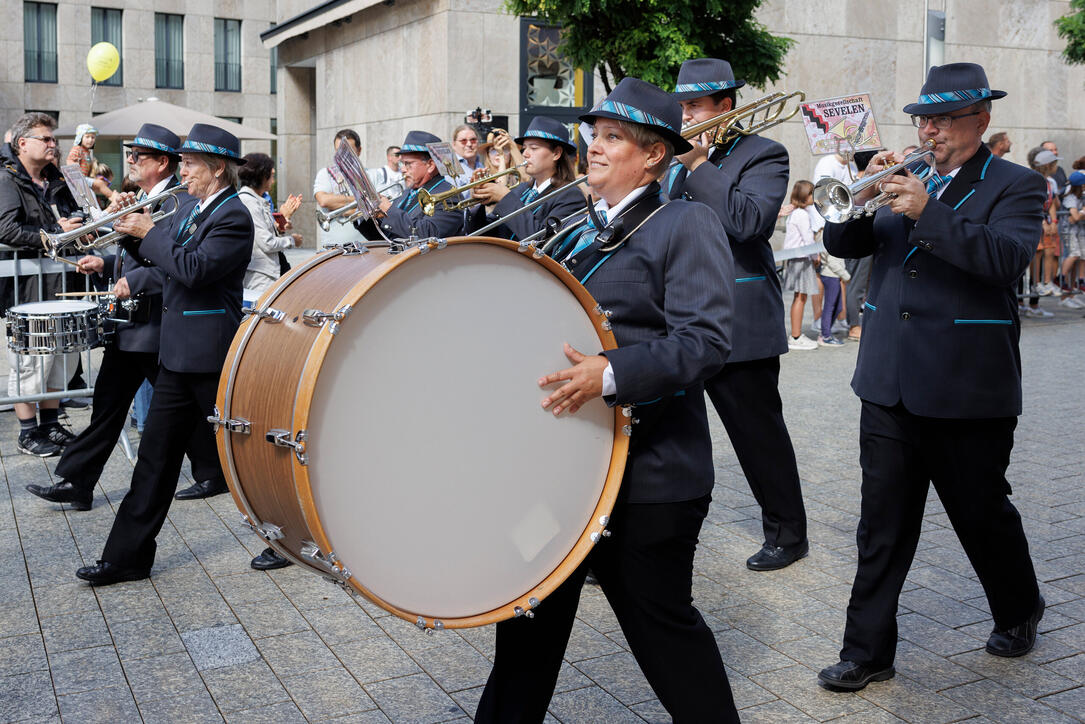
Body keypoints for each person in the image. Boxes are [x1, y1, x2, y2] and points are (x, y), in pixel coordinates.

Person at [476, 76, 738, 723]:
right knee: (525, 634)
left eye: (614, 137)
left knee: (663, 634)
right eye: (595, 134)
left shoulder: (686, 222)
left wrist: (609, 373)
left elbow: (705, 342)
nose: (593, 147)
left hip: (650, 475)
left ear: (653, 154)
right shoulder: (571, 225)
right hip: (562, 472)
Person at [817, 63, 1045, 692]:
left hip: (967, 383)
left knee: (981, 514)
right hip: (888, 381)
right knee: (881, 525)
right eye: (925, 118)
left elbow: (1005, 261)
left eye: (945, 118)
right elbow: (841, 244)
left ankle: (1019, 606)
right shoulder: (903, 175)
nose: (932, 129)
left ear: (982, 119)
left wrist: (928, 212)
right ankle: (867, 652)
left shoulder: (1016, 185)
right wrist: (862, 188)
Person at [74, 123, 254, 586]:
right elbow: (159, 257)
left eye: (190, 164)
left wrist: (149, 230)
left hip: (210, 354)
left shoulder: (234, 216)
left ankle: (289, 537)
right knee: (154, 459)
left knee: (249, 457)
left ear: (216, 170)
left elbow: (193, 269)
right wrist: (126, 227)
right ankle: (126, 557)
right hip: (176, 354)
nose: (183, 171)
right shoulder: (191, 205)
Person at [25, 123, 227, 510]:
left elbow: (173, 264)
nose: (130, 162)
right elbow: (137, 254)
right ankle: (78, 482)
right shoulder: (146, 198)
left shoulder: (179, 203)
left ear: (161, 162)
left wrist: (133, 280)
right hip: (132, 323)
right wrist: (104, 260)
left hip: (157, 321)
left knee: (179, 409)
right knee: (109, 404)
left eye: (138, 156)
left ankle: (214, 470)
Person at [664, 57, 809, 570]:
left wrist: (699, 165)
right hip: (675, 317)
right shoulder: (671, 159)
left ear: (725, 106)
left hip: (738, 317)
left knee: (757, 435)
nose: (684, 116)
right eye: (681, 106)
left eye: (695, 106)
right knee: (668, 435)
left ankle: (788, 532)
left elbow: (747, 222)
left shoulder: (764, 154)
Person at [0, 112, 83, 456]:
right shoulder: (6, 180)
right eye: (45, 139)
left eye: (53, 139)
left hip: (60, 282)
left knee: (60, 358)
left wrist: (80, 224)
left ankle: (50, 425)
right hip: (27, 288)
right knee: (30, 360)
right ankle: (27, 432)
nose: (53, 144)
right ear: (23, 144)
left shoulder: (58, 179)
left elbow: (77, 217)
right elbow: (6, 230)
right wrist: (53, 235)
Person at [468, 116, 584, 240]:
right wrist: (478, 200)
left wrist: (505, 198)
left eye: (533, 148)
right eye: (524, 148)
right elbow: (487, 233)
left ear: (556, 153)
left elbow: (542, 241)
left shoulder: (570, 196)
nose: (525, 154)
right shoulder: (521, 189)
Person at [375, 131, 465, 239]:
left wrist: (389, 211)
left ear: (430, 165)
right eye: (401, 164)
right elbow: (388, 235)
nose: (402, 169)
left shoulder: (449, 195)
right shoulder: (409, 191)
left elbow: (430, 234)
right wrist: (370, 218)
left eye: (408, 164)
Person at [238, 152, 301, 294]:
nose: (273, 180)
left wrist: (281, 225)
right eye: (271, 175)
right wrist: (292, 240)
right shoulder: (249, 202)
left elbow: (262, 234)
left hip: (268, 273)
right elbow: (267, 243)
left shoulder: (256, 200)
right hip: (261, 277)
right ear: (261, 176)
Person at [781, 180, 820, 351]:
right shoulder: (802, 215)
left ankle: (795, 335)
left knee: (800, 296)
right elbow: (808, 239)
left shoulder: (795, 213)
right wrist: (815, 255)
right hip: (801, 259)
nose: (813, 196)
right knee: (801, 296)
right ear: (804, 195)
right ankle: (796, 336)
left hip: (795, 258)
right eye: (811, 193)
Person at [314, 129, 367, 246]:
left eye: (348, 151)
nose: (342, 156)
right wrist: (360, 200)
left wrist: (337, 205)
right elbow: (323, 201)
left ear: (359, 151)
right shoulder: (325, 173)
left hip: (368, 246)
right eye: (339, 151)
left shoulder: (371, 175)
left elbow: (377, 208)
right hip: (334, 247)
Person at [1030, 148, 1061, 296]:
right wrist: (1043, 222)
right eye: (1054, 164)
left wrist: (1053, 221)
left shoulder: (1049, 182)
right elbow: (1033, 203)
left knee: (1049, 250)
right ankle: (1036, 283)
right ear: (1048, 165)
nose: (1057, 167)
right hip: (1036, 222)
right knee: (1037, 253)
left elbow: (1052, 204)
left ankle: (1047, 282)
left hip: (1047, 221)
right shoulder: (1033, 179)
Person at [1058, 170, 1085, 307]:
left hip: (1078, 230)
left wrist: (1080, 214)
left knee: (1082, 255)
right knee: (1074, 254)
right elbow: (1074, 217)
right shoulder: (1070, 198)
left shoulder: (1081, 197)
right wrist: (1082, 213)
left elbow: (1077, 217)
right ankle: (1060, 278)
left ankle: (1080, 281)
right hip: (1068, 230)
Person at [818, 248, 850, 346]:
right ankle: (825, 336)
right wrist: (846, 276)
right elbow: (832, 261)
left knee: (838, 307)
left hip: (834, 275)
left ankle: (826, 332)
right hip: (831, 275)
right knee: (830, 307)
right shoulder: (828, 238)